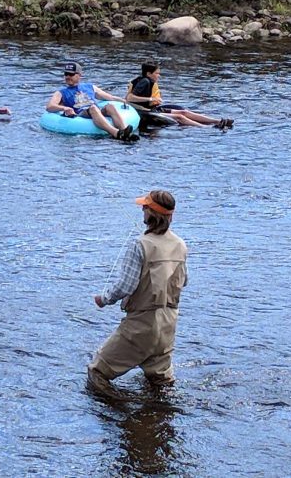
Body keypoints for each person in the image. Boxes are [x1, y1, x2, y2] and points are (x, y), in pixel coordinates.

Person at [88, 190, 188, 398]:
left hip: (141, 326)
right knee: (160, 383)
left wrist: (103, 299)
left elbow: (125, 286)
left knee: (97, 372)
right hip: (168, 325)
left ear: (151, 213)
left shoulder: (139, 245)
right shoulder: (180, 245)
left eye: (145, 207)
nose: (142, 210)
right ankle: (158, 417)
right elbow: (184, 281)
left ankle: (123, 414)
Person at [126, 62, 234, 129]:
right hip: (143, 113)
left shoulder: (147, 80)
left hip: (151, 109)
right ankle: (207, 128)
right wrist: (151, 98)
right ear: (149, 74)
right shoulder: (144, 81)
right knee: (180, 117)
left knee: (184, 112)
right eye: (157, 73)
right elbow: (129, 98)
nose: (159, 75)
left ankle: (218, 121)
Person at [46, 61, 137, 141]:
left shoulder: (90, 87)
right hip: (82, 113)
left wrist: (122, 100)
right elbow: (49, 107)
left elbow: (109, 97)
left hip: (96, 110)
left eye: (71, 74)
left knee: (110, 106)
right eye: (66, 74)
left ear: (79, 75)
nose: (68, 77)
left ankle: (125, 131)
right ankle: (116, 133)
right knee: (93, 108)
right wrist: (64, 107)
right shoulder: (61, 92)